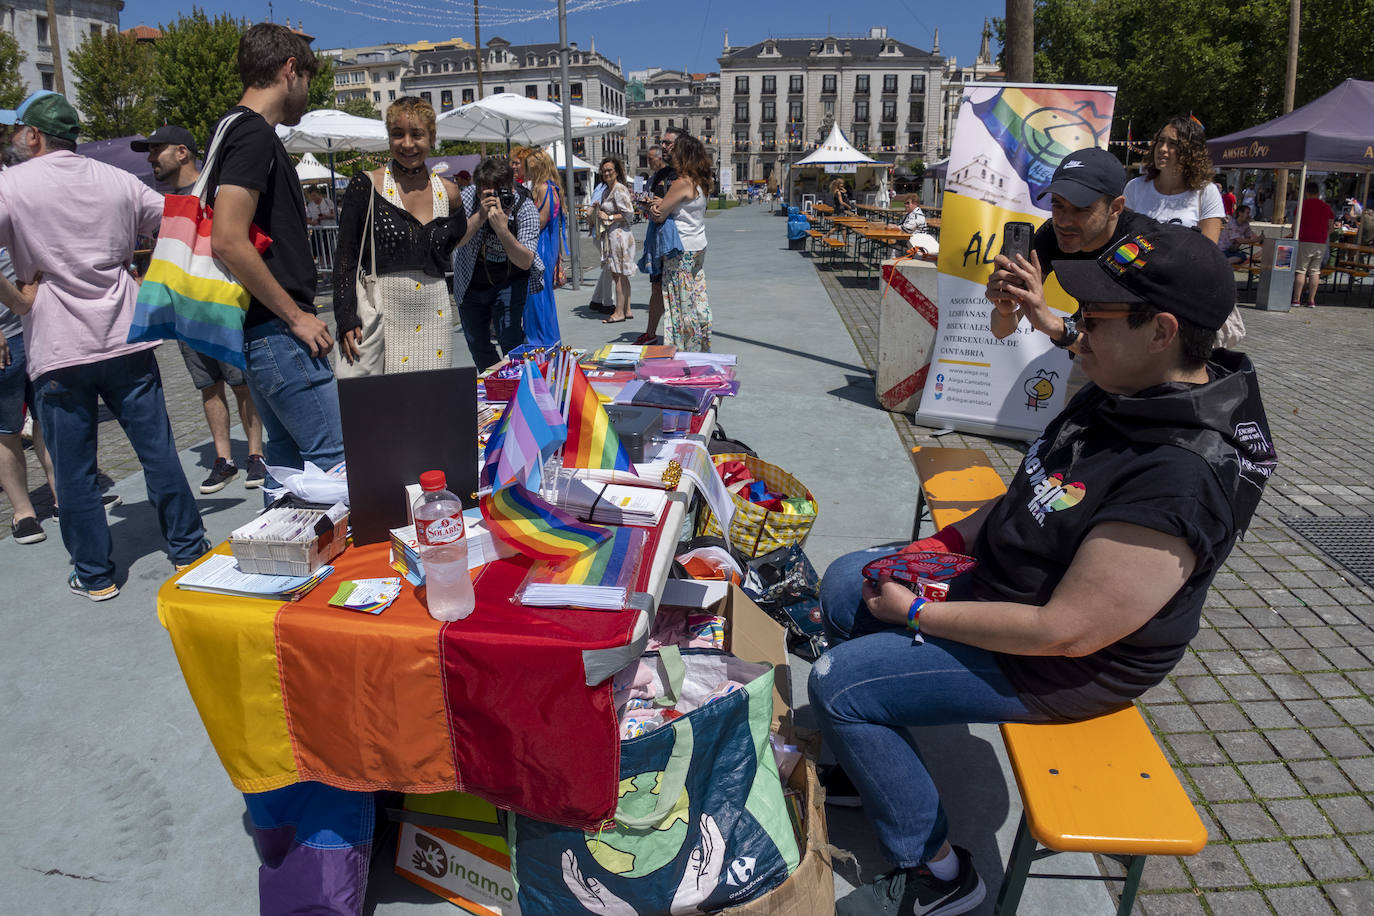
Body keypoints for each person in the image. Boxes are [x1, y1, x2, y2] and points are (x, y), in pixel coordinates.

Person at [811, 224, 1276, 916]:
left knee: (839, 685)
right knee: (850, 578)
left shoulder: (1182, 475)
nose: (1074, 331)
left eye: (1094, 319)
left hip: (1063, 664)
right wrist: (928, 553)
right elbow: (1028, 496)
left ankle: (938, 876)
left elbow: (1068, 631)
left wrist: (916, 612)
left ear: (1163, 331)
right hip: (1014, 587)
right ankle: (868, 763)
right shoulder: (1123, 384)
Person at [0, 91, 207, 599]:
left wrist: (18, 302)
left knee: (73, 470)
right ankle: (189, 548)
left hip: (57, 342)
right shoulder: (116, 180)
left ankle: (94, 575)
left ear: (33, 135)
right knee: (157, 452)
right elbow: (184, 219)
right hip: (126, 333)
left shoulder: (11, 184)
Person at [210, 23, 345, 488]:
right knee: (336, 464)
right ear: (291, 70)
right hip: (278, 332)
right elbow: (227, 239)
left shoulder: (229, 128)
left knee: (286, 469)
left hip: (258, 332)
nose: (306, 93)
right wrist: (296, 317)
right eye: (307, 79)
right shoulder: (254, 134)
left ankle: (278, 557)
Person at [133, 123, 267, 492]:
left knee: (241, 384)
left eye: (155, 149)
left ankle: (256, 455)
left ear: (182, 152)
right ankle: (223, 460)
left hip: (221, 304)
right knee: (208, 386)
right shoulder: (160, 205)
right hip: (184, 310)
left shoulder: (216, 191)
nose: (149, 159)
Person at [332, 95, 464, 375]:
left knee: (432, 403)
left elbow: (454, 241)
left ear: (432, 137)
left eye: (416, 134)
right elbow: (346, 256)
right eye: (397, 134)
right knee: (386, 409)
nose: (407, 144)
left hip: (435, 318)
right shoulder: (367, 185)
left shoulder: (450, 193)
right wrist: (346, 316)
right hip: (383, 318)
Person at [987, 146, 1157, 348]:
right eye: (1058, 204)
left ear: (1116, 207)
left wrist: (1055, 326)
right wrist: (1005, 310)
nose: (1064, 221)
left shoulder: (1142, 246)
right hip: (1095, 352)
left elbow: (1132, 352)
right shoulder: (1052, 234)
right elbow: (1001, 330)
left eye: (1081, 208)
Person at [450, 155, 541, 371]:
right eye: (487, 191)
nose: (495, 198)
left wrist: (502, 228)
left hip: (510, 281)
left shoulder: (524, 207)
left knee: (511, 341)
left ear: (511, 185)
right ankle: (496, 384)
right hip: (471, 280)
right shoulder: (469, 197)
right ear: (478, 187)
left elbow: (526, 261)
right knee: (477, 343)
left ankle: (520, 388)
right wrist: (480, 215)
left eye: (500, 190)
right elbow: (456, 240)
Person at [651, 133, 711, 351]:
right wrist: (664, 203)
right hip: (698, 244)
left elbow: (659, 215)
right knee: (697, 298)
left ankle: (684, 348)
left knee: (679, 303)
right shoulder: (700, 181)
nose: (669, 152)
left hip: (680, 248)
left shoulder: (681, 182)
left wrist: (655, 205)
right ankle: (701, 344)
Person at [1123, 116, 1224, 243]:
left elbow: (1209, 252)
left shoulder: (1207, 192)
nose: (1162, 149)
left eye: (1173, 143)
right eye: (1161, 141)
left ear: (1190, 151)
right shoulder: (1135, 187)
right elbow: (1122, 239)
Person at [636, 129, 681, 344]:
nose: (664, 147)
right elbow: (655, 205)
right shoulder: (657, 177)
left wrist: (656, 204)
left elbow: (666, 205)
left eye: (667, 143)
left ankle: (674, 339)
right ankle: (651, 333)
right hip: (657, 235)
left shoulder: (680, 175)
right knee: (656, 286)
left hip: (675, 240)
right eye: (661, 143)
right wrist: (647, 204)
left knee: (672, 289)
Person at [521, 147, 566, 348]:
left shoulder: (543, 188)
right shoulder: (552, 187)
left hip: (540, 246)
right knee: (543, 295)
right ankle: (547, 338)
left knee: (536, 295)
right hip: (548, 245)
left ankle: (540, 339)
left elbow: (539, 221)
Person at [595, 156, 635, 325]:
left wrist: (608, 216)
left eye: (609, 170)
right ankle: (626, 309)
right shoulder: (607, 190)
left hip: (619, 236)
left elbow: (629, 214)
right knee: (622, 275)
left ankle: (619, 312)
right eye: (604, 171)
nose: (606, 173)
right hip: (614, 234)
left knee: (617, 274)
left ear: (616, 171)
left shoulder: (619, 189)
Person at [1292, 180, 1335, 309]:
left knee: (1301, 270)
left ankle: (1296, 299)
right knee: (1315, 271)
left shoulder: (1302, 206)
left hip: (1305, 240)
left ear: (1306, 192)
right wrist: (1323, 234)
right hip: (1321, 242)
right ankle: (1311, 300)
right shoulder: (1326, 207)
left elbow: (1294, 226)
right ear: (1318, 192)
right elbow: (1331, 227)